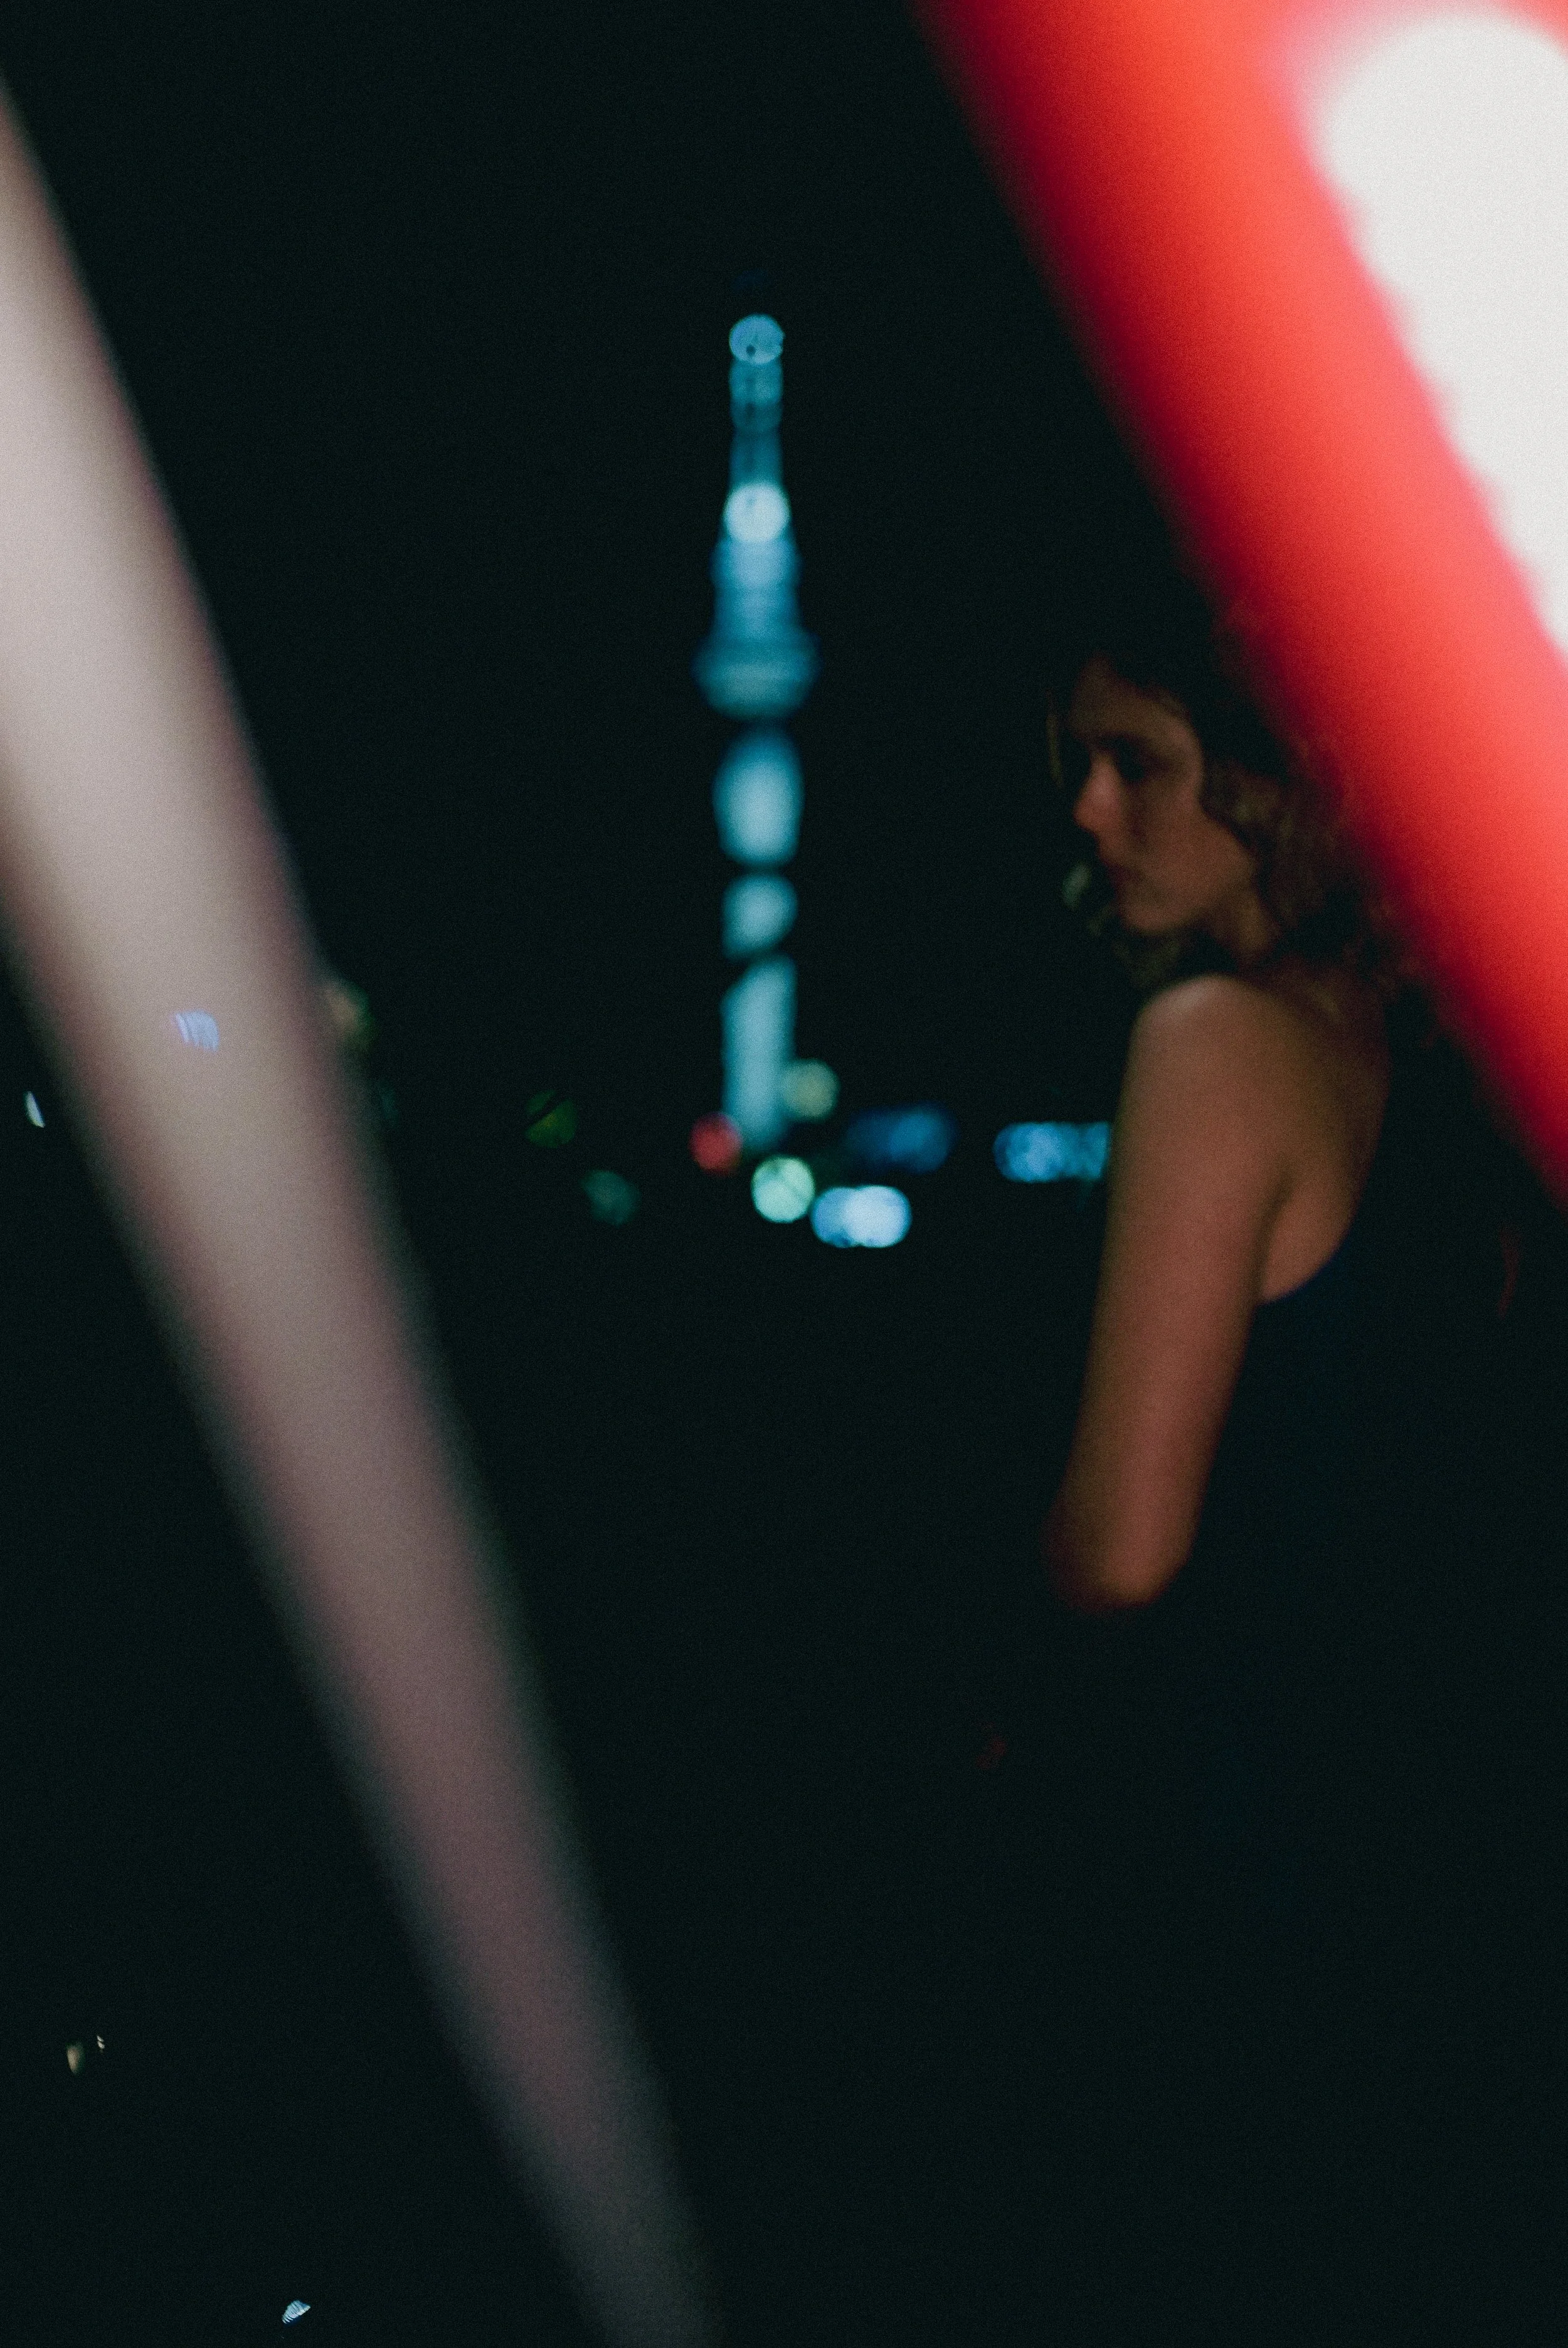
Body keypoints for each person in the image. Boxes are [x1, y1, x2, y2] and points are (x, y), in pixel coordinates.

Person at [1006, 587, 1548, 2339]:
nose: (1089, 809)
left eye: (1135, 763)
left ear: (1271, 780)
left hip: (1234, 1872)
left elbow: (1123, 1549)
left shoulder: (1214, 1044)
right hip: (1445, 1859)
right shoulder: (1441, 1058)